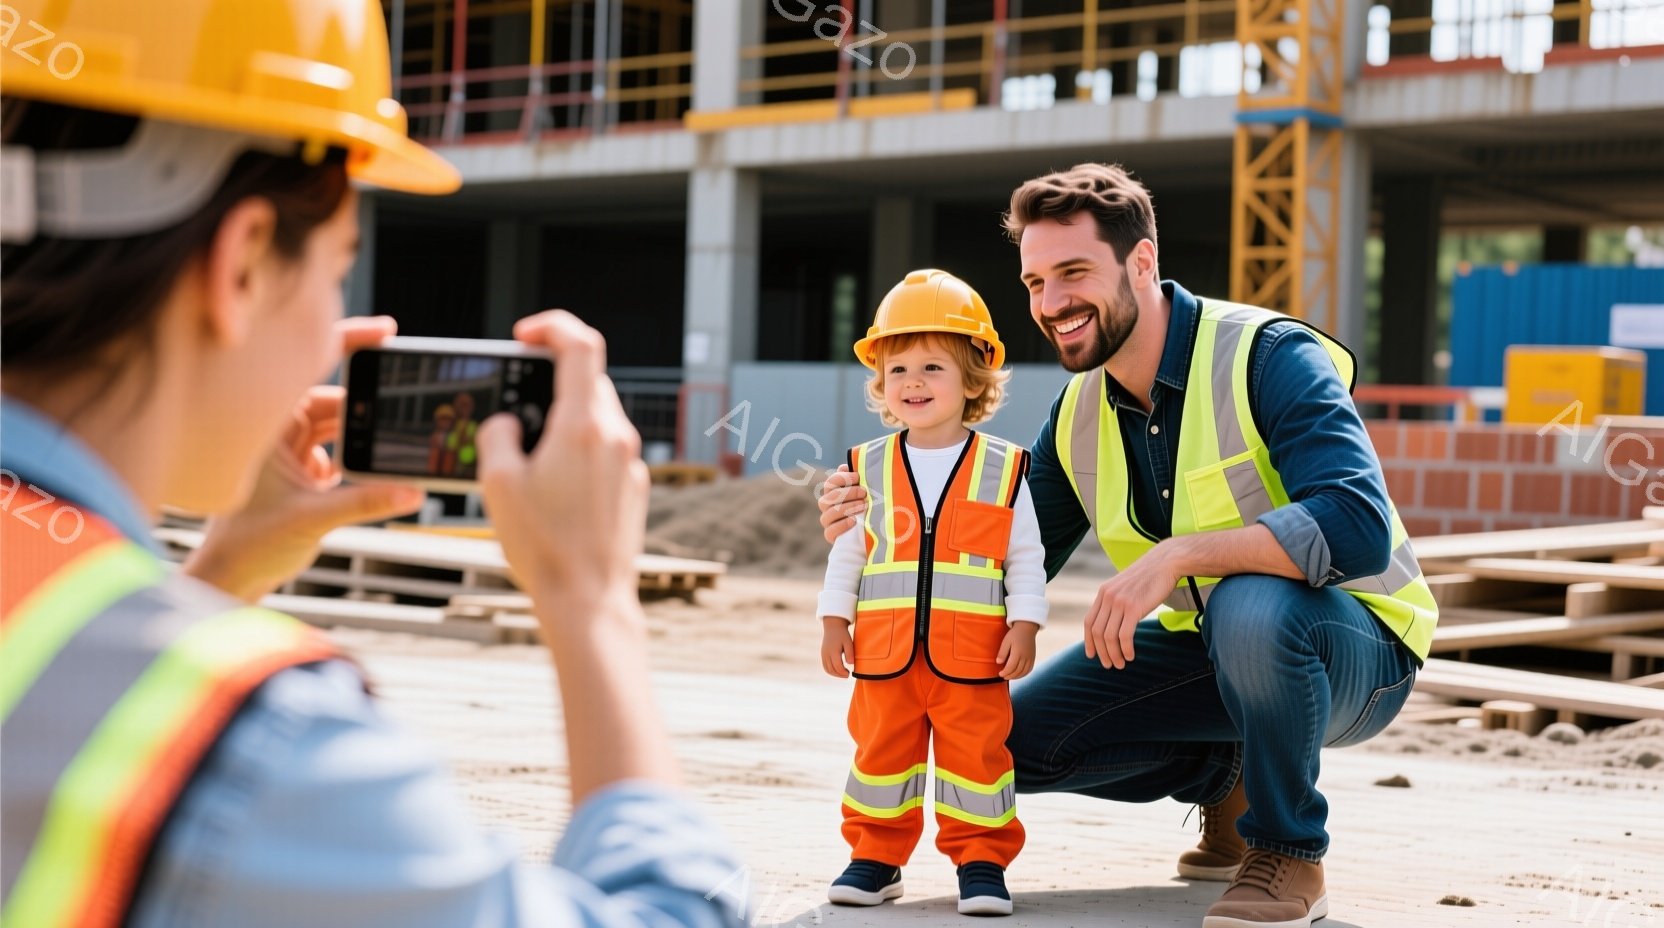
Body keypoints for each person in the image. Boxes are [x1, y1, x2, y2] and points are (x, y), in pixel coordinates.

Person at [0, 2, 745, 927]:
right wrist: (593, 605)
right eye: (337, 271)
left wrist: (220, 578)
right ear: (243, 264)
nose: (332, 330)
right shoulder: (261, 746)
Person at [817, 165, 1438, 928]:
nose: (1051, 303)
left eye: (1073, 273)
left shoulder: (1267, 355)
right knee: (1005, 743)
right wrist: (878, 519)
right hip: (1208, 653)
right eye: (1036, 282)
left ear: (1141, 262)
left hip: (1355, 650)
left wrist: (1179, 555)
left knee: (1250, 606)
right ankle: (1227, 776)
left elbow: (1357, 524)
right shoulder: (1078, 411)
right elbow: (992, 549)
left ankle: (1288, 851)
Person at [817, 270, 1047, 917]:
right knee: (879, 756)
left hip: (973, 659)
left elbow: (1025, 557)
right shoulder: (866, 466)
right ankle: (875, 858)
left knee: (977, 761)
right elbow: (850, 551)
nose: (912, 382)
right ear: (881, 383)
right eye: (898, 369)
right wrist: (834, 620)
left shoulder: (1003, 469)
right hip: (885, 657)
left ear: (974, 379)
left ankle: (982, 862)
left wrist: (1025, 625)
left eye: (932, 367)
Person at [429, 403, 458, 474]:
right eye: (442, 419)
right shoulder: (434, 435)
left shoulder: (454, 436)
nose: (445, 422)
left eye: (448, 419)